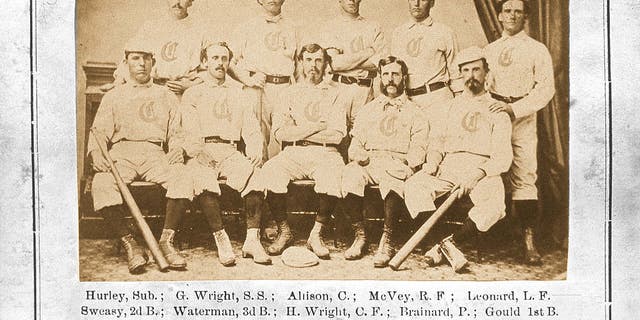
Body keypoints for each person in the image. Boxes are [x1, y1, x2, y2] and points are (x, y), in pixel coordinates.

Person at [404, 46, 513, 273]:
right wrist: (432, 163)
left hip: (482, 169)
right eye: (466, 70)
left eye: (476, 70)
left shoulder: (497, 109)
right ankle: (443, 245)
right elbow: (437, 143)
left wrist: (478, 174)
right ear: (460, 74)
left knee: (494, 205)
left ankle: (451, 243)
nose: (471, 76)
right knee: (414, 185)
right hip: (449, 165)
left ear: (486, 72)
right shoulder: (449, 106)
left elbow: (502, 157)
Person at [89, 42, 192, 273]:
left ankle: (166, 242)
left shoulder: (165, 95)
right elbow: (99, 133)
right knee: (102, 183)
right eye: (136, 58)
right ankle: (131, 244)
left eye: (146, 58)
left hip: (154, 153)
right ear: (126, 63)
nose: (142, 63)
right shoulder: (114, 96)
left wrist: (177, 148)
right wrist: (96, 153)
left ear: (153, 63)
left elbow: (176, 132)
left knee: (183, 176)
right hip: (122, 153)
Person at [250, 44, 348, 258]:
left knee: (334, 175)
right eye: (308, 60)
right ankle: (285, 231)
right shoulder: (289, 93)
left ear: (325, 64)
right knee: (269, 171)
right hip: (293, 153)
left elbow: (337, 135)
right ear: (300, 63)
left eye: (318, 60)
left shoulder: (337, 94)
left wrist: (298, 131)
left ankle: (316, 234)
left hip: (326, 152)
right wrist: (318, 126)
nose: (313, 65)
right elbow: (280, 134)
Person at [178, 42, 271, 266]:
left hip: (229, 149)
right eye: (215, 58)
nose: (220, 63)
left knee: (255, 175)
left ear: (229, 63)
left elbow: (251, 127)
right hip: (202, 150)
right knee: (203, 179)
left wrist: (255, 150)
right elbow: (188, 130)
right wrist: (198, 151)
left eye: (224, 58)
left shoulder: (239, 93)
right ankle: (222, 239)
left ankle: (252, 241)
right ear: (204, 62)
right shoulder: (193, 93)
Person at [484, 0, 555, 265]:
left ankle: (528, 240)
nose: (512, 15)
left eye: (517, 11)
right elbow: (481, 84)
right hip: (493, 114)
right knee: (488, 169)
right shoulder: (489, 50)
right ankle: (488, 234)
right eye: (507, 11)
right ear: (500, 16)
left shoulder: (537, 49)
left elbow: (545, 89)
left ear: (525, 16)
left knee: (525, 175)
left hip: (522, 116)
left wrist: (514, 108)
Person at [341, 56, 429, 267]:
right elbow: (355, 146)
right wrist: (358, 155)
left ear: (404, 78)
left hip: (397, 163)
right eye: (386, 74)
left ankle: (387, 239)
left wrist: (406, 163)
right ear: (379, 77)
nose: (390, 79)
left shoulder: (415, 112)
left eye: (395, 74)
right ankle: (360, 235)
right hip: (371, 161)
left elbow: (419, 149)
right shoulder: (368, 109)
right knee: (349, 174)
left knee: (393, 177)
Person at [229, 0, 299, 159]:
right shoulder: (247, 27)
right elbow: (230, 62)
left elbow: (300, 64)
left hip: (284, 87)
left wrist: (301, 92)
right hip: (257, 88)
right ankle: (258, 181)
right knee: (257, 141)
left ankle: (281, 180)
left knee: (286, 135)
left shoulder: (292, 27)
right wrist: (247, 79)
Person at [390, 0, 460, 134]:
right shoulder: (398, 33)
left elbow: (457, 74)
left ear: (432, 3)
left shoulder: (444, 32)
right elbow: (394, 72)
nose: (416, 3)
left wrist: (459, 107)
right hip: (408, 102)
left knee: (438, 147)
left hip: (438, 100)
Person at [109, 0, 205, 96]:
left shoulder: (200, 30)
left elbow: (209, 68)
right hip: (151, 89)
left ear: (190, 1)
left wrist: (190, 85)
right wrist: (119, 81)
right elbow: (131, 56)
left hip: (184, 92)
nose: (177, 2)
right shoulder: (151, 27)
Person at [320, 0, 386, 132]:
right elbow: (335, 64)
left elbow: (380, 63)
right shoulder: (331, 26)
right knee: (338, 136)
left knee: (362, 136)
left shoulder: (373, 26)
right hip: (339, 88)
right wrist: (369, 52)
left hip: (366, 90)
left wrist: (347, 61)